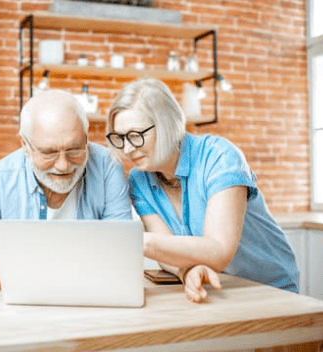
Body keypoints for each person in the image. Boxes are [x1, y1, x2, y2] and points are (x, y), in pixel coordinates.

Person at [106, 77, 299, 302]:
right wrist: (186, 271)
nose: (128, 148)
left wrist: (138, 240)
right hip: (218, 290)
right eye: (120, 138)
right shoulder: (139, 180)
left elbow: (218, 251)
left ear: (167, 124)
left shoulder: (220, 156)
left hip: (272, 289)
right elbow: (166, 253)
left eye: (136, 135)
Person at [0, 89, 132, 286]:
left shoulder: (108, 167)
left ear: (86, 138)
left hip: (92, 290)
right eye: (49, 153)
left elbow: (121, 249)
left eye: (74, 150)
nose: (64, 165)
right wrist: (3, 270)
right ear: (25, 145)